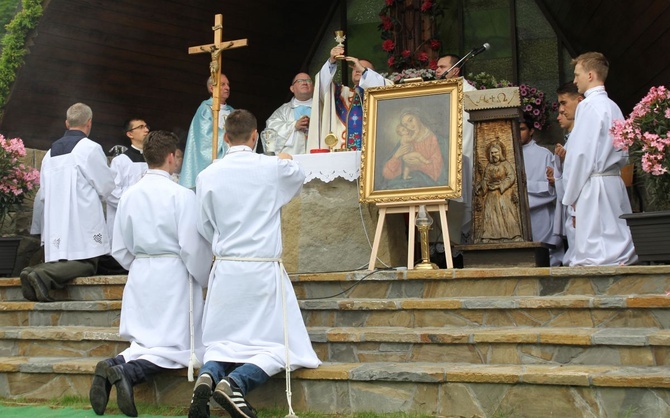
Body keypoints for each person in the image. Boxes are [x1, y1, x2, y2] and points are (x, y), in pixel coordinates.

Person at [189, 110, 320, 418]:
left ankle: (208, 375)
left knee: (223, 341)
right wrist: (285, 157)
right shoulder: (271, 167)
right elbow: (297, 176)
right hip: (261, 271)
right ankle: (236, 383)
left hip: (226, 270)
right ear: (254, 136)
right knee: (284, 346)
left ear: (224, 137)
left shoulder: (207, 174)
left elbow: (204, 225)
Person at [89, 130, 211, 417]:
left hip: (142, 272)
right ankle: (129, 374)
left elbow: (119, 247)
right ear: (171, 157)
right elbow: (192, 247)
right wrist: (204, 276)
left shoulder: (130, 195)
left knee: (145, 341)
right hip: (174, 275)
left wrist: (141, 265)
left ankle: (113, 364)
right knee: (177, 346)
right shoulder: (182, 195)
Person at [19, 103, 115, 302]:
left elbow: (43, 193)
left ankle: (35, 271)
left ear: (66, 123)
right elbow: (106, 187)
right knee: (88, 262)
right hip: (83, 218)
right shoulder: (90, 148)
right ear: (89, 123)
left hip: (56, 220)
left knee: (65, 257)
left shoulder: (49, 153)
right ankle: (41, 274)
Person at [562, 52, 636, 266]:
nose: (575, 80)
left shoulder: (588, 106)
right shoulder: (613, 106)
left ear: (591, 75)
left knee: (597, 253)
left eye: (577, 75)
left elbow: (581, 155)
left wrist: (571, 197)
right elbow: (624, 150)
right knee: (617, 238)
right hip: (613, 181)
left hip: (593, 184)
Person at [307, 46, 389, 151]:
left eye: (363, 68)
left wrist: (364, 72)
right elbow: (323, 86)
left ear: (373, 74)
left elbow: (385, 89)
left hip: (373, 153)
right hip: (342, 153)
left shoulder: (383, 89)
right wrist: (331, 61)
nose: (358, 69)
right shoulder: (342, 93)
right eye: (355, 67)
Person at [435, 54, 478, 247]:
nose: (436, 70)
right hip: (438, 162)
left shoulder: (469, 94)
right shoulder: (437, 92)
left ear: (455, 70)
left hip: (461, 160)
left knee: (459, 209)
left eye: (442, 66)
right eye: (436, 67)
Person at [519, 118, 564, 265]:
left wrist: (521, 187)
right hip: (516, 217)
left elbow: (552, 188)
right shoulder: (506, 154)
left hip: (540, 215)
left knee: (545, 256)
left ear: (531, 131)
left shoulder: (543, 154)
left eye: (522, 129)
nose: (517, 133)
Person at [180, 75, 233, 189]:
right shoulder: (205, 109)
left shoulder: (232, 111)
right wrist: (231, 141)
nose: (227, 88)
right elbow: (205, 138)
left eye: (228, 84)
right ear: (211, 88)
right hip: (213, 164)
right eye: (223, 84)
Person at [550, 82, 583, 264]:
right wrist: (560, 165)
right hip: (573, 198)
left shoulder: (584, 131)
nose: (560, 112)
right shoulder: (572, 137)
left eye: (564, 104)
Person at [106, 118, 149, 239]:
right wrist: (136, 202)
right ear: (130, 134)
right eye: (141, 127)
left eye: (146, 126)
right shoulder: (120, 161)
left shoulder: (153, 160)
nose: (146, 130)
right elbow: (112, 192)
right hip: (125, 217)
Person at [381, 109, 444, 189]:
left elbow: (439, 174)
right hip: (405, 186)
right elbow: (387, 174)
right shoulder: (406, 141)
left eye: (411, 120)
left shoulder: (436, 140)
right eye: (406, 125)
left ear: (418, 117)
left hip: (425, 185)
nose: (410, 126)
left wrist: (420, 165)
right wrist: (396, 156)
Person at [474, 140, 523, 243]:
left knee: (505, 211)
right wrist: (482, 185)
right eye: (492, 153)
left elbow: (511, 177)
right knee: (490, 213)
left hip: (503, 193)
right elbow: (486, 179)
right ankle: (489, 236)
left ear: (500, 153)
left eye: (496, 152)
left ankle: (512, 236)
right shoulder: (489, 166)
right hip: (491, 193)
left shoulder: (505, 164)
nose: (494, 154)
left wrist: (501, 185)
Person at [265, 72, 314, 155]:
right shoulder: (283, 111)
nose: (305, 83)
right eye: (300, 81)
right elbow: (270, 132)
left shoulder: (321, 108)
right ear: (292, 88)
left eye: (308, 81)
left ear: (313, 87)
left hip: (316, 155)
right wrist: (294, 126)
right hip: (291, 157)